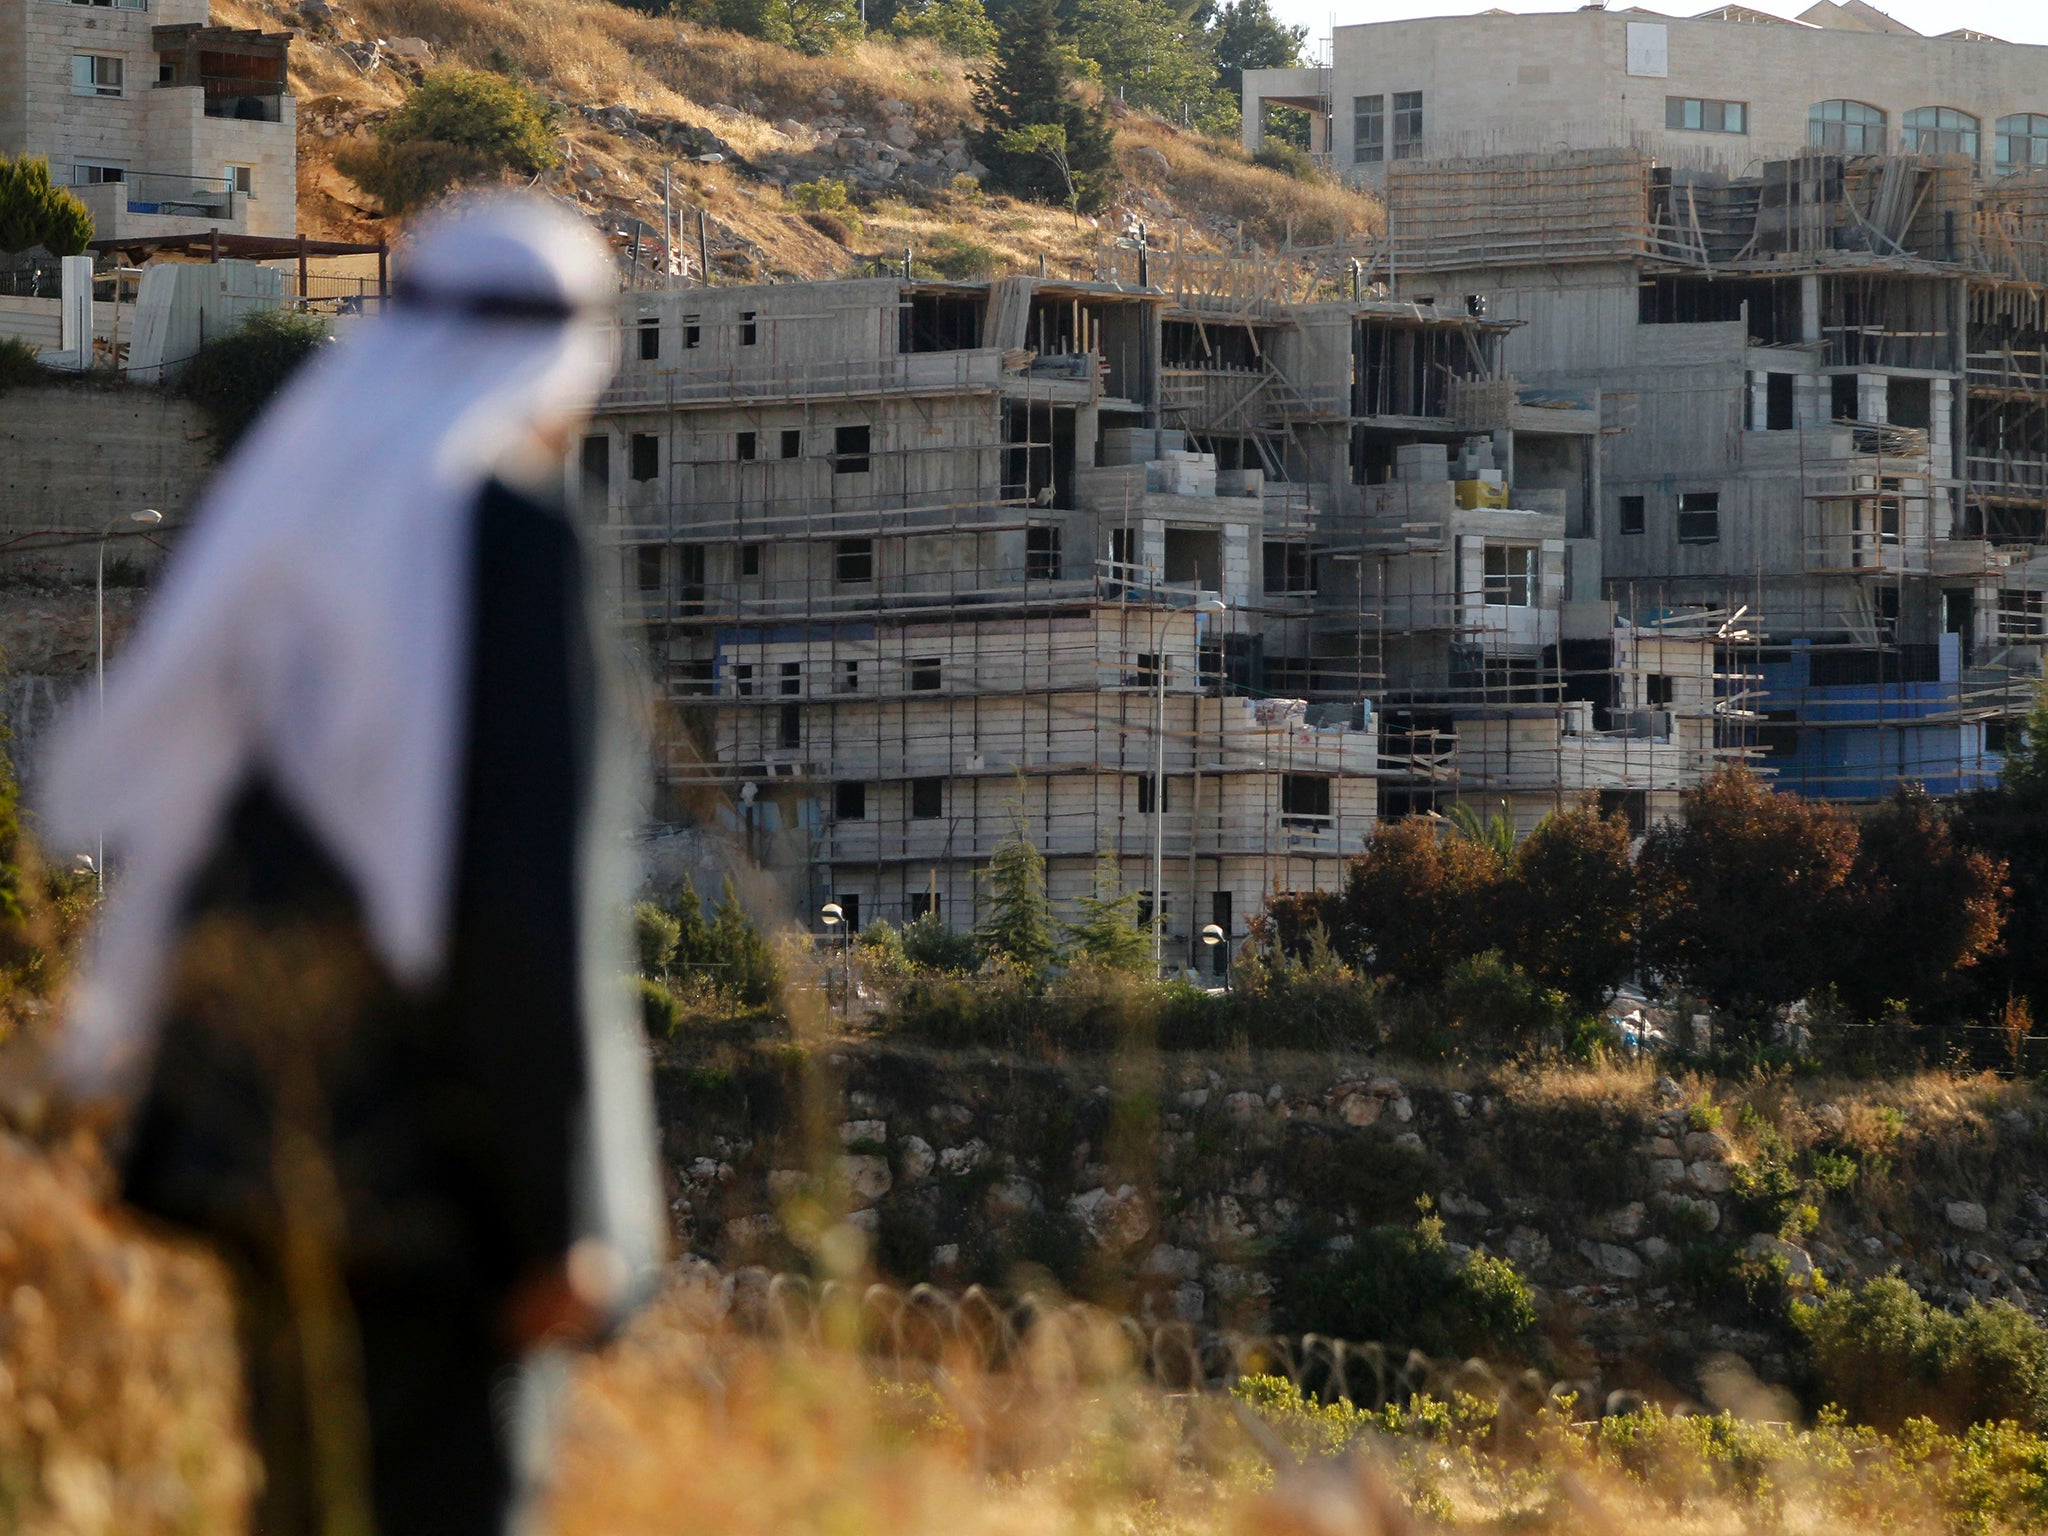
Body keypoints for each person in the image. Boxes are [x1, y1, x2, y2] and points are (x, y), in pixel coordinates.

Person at [40, 195, 663, 1536]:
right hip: (440, 1182)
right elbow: (520, 903)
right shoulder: (509, 536)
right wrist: (558, 1217)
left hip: (257, 1148)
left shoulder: (299, 520)